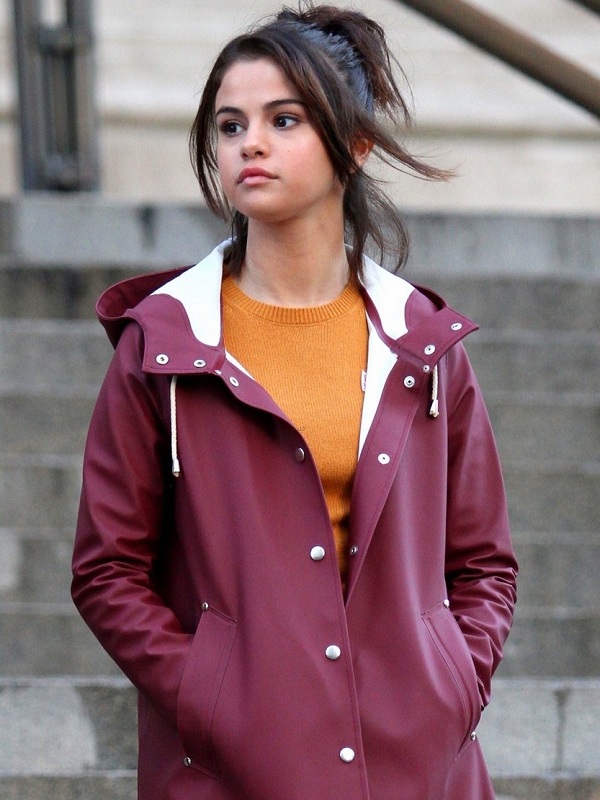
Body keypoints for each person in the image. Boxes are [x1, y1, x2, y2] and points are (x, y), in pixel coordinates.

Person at [71, 4, 518, 799]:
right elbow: (107, 569)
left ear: (354, 145)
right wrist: (210, 696)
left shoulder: (423, 344)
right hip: (234, 767)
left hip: (419, 764)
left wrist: (454, 680)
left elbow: (484, 562)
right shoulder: (163, 345)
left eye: (284, 119)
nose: (251, 143)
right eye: (229, 124)